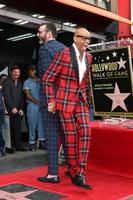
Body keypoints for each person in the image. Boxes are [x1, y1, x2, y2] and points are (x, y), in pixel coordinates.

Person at [42, 27, 93, 189]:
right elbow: (47, 79)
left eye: (89, 39)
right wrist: (51, 100)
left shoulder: (89, 57)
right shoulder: (63, 54)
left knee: (86, 131)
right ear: (75, 38)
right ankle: (73, 171)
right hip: (64, 102)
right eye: (83, 38)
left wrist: (87, 98)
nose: (86, 41)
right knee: (70, 139)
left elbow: (84, 82)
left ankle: (81, 172)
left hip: (81, 102)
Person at [36, 23, 66, 183]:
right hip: (65, 100)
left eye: (40, 32)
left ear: (48, 33)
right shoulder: (65, 49)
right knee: (66, 135)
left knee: (52, 136)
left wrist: (50, 101)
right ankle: (74, 170)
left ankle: (53, 174)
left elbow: (47, 78)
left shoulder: (45, 50)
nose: (37, 34)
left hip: (51, 100)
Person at [2, 65, 27, 152]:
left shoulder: (20, 83)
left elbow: (21, 97)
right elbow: (7, 96)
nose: (16, 73)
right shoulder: (6, 81)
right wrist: (12, 107)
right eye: (15, 72)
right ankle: (9, 147)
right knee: (9, 130)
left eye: (18, 72)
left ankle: (18, 146)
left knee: (17, 128)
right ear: (11, 72)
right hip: (8, 110)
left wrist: (21, 108)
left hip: (17, 110)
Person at [23, 66, 45, 151]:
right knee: (32, 125)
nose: (31, 72)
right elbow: (28, 96)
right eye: (30, 71)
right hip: (32, 106)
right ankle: (31, 143)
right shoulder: (26, 82)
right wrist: (38, 103)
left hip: (42, 106)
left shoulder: (40, 81)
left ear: (36, 71)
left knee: (41, 124)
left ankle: (42, 142)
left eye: (33, 70)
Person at [0, 77, 6, 156]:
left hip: (0, 110)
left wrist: (5, 110)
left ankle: (2, 147)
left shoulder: (1, 89)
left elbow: (3, 99)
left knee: (0, 130)